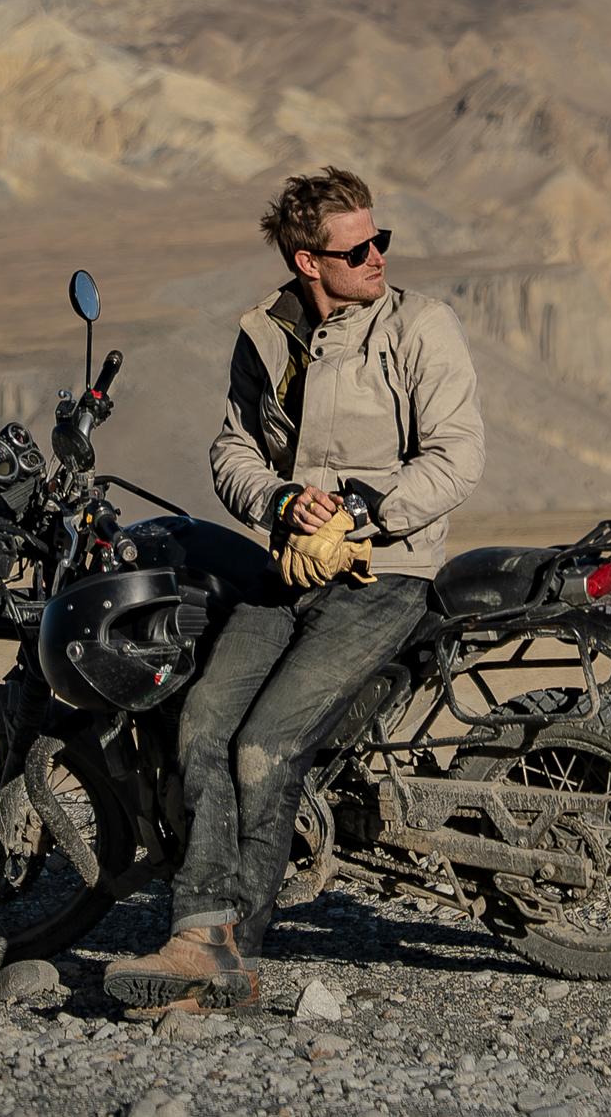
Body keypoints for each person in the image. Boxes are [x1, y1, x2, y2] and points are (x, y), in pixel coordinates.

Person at [104, 166, 485, 1012]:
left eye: (381, 238)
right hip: (290, 575)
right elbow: (231, 450)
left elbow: (457, 457)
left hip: (389, 573)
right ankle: (199, 934)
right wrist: (278, 501)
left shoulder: (419, 327)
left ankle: (231, 952)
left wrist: (358, 513)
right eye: (358, 248)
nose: (379, 256)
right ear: (309, 261)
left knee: (263, 745)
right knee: (201, 724)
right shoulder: (266, 338)